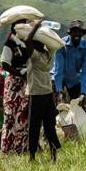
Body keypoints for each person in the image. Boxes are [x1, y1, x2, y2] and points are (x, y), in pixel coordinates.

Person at [22, 20, 61, 162]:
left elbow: (27, 40)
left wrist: (36, 27)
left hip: (36, 94)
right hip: (48, 93)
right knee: (49, 125)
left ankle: (32, 155)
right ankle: (53, 154)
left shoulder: (36, 55)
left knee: (34, 126)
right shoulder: (48, 53)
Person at [0, 20, 31, 154]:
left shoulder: (27, 44)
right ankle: (9, 146)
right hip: (14, 83)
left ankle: (22, 146)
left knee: (23, 113)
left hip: (26, 82)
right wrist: (18, 73)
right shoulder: (10, 44)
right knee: (11, 114)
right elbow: (5, 63)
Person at [51, 20, 86, 103]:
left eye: (79, 31)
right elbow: (58, 69)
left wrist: (83, 92)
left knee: (78, 105)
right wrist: (59, 90)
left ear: (82, 33)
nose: (77, 33)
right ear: (70, 33)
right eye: (74, 31)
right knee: (56, 105)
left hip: (74, 79)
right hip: (58, 77)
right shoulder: (61, 45)